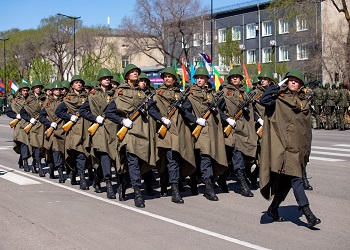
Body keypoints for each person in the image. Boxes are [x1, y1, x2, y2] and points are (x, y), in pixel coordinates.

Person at [259, 69, 321, 228]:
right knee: (297, 180)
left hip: (297, 148)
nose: (293, 82)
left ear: (300, 84)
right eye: (290, 80)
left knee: (287, 183)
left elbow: (306, 129)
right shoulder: (278, 98)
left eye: (296, 80)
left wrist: (305, 151)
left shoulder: (304, 103)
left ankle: (273, 209)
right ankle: (308, 214)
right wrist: (278, 85)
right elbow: (264, 99)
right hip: (283, 148)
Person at [105, 64, 153, 207]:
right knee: (132, 161)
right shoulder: (120, 92)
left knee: (138, 162)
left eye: (136, 72)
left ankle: (123, 185)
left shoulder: (142, 93)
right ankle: (138, 193)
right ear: (126, 76)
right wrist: (122, 120)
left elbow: (151, 110)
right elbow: (109, 112)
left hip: (141, 131)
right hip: (128, 133)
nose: (135, 74)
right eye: (132, 72)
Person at [148, 66, 196, 204]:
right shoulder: (157, 93)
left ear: (175, 79)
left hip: (178, 130)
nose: (167, 78)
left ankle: (174, 187)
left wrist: (189, 114)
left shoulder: (180, 94)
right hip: (165, 130)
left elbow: (187, 109)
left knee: (174, 159)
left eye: (170, 76)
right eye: (165, 76)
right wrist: (162, 118)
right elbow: (151, 109)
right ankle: (168, 185)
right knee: (166, 159)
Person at [185, 67, 228, 201]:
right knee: (205, 158)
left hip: (211, 131)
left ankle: (194, 181)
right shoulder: (190, 94)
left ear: (206, 80)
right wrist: (195, 119)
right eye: (197, 78)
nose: (199, 80)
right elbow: (185, 112)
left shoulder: (211, 94)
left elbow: (218, 111)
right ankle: (209, 189)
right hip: (197, 131)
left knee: (205, 158)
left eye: (201, 78)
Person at [217, 67, 257, 197]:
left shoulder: (243, 94)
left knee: (231, 158)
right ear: (229, 79)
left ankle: (222, 179)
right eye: (233, 77)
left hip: (241, 130)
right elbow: (218, 110)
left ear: (241, 79)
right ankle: (243, 186)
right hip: (230, 131)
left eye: (237, 77)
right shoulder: (224, 92)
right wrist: (227, 119)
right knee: (237, 156)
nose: (235, 79)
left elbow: (249, 112)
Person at [80, 68, 117, 199]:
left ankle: (97, 180)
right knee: (104, 156)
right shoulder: (93, 95)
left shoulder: (115, 94)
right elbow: (83, 111)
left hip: (113, 129)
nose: (107, 79)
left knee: (111, 157)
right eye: (105, 78)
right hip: (99, 130)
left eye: (109, 78)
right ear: (100, 80)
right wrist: (95, 118)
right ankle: (108, 185)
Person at [55, 75, 90, 190]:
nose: (79, 84)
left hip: (86, 128)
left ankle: (79, 175)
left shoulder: (88, 97)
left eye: (80, 82)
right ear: (72, 85)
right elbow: (58, 111)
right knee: (77, 153)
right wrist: (69, 117)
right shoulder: (68, 99)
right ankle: (79, 176)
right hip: (74, 130)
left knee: (84, 153)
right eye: (76, 83)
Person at [248, 68, 274, 189]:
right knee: (262, 154)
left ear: (270, 80)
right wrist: (259, 119)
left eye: (265, 79)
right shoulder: (254, 93)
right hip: (260, 126)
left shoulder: (274, 91)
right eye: (261, 79)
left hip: (272, 125)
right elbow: (250, 109)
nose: (263, 81)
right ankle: (254, 176)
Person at [39, 80, 66, 183]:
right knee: (56, 150)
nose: (58, 91)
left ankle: (51, 169)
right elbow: (41, 116)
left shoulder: (64, 101)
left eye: (59, 89)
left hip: (62, 129)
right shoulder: (47, 102)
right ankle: (60, 174)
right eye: (56, 89)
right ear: (52, 91)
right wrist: (49, 124)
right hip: (53, 131)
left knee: (61, 151)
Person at [20, 79, 47, 176]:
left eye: (39, 87)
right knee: (36, 146)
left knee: (41, 147)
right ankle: (39, 167)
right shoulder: (29, 100)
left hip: (43, 125)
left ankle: (35, 162)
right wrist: (29, 119)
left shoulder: (45, 98)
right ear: (33, 89)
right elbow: (22, 112)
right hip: (33, 126)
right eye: (36, 87)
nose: (38, 89)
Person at [6, 83, 31, 171]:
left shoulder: (31, 100)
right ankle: (25, 162)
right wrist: (16, 116)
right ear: (20, 91)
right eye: (23, 90)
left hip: (30, 124)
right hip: (20, 125)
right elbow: (8, 112)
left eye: (26, 90)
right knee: (24, 143)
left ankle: (21, 159)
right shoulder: (15, 101)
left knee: (30, 144)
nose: (25, 92)